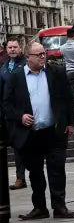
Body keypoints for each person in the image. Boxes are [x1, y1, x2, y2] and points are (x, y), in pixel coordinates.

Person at [3, 41, 74, 220]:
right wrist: (20, 116)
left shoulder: (55, 72)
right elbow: (6, 104)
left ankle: (60, 207)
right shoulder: (16, 77)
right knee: (35, 173)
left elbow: (67, 97)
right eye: (38, 54)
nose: (43, 57)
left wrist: (71, 122)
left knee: (57, 170)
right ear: (28, 57)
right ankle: (39, 207)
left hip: (54, 130)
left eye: (43, 53)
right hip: (30, 133)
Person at [0, 37, 26, 189]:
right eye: (10, 47)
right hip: (8, 112)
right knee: (16, 146)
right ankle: (20, 177)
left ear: (20, 48)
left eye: (15, 47)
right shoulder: (3, 66)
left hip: (23, 110)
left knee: (24, 145)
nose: (12, 50)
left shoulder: (25, 64)